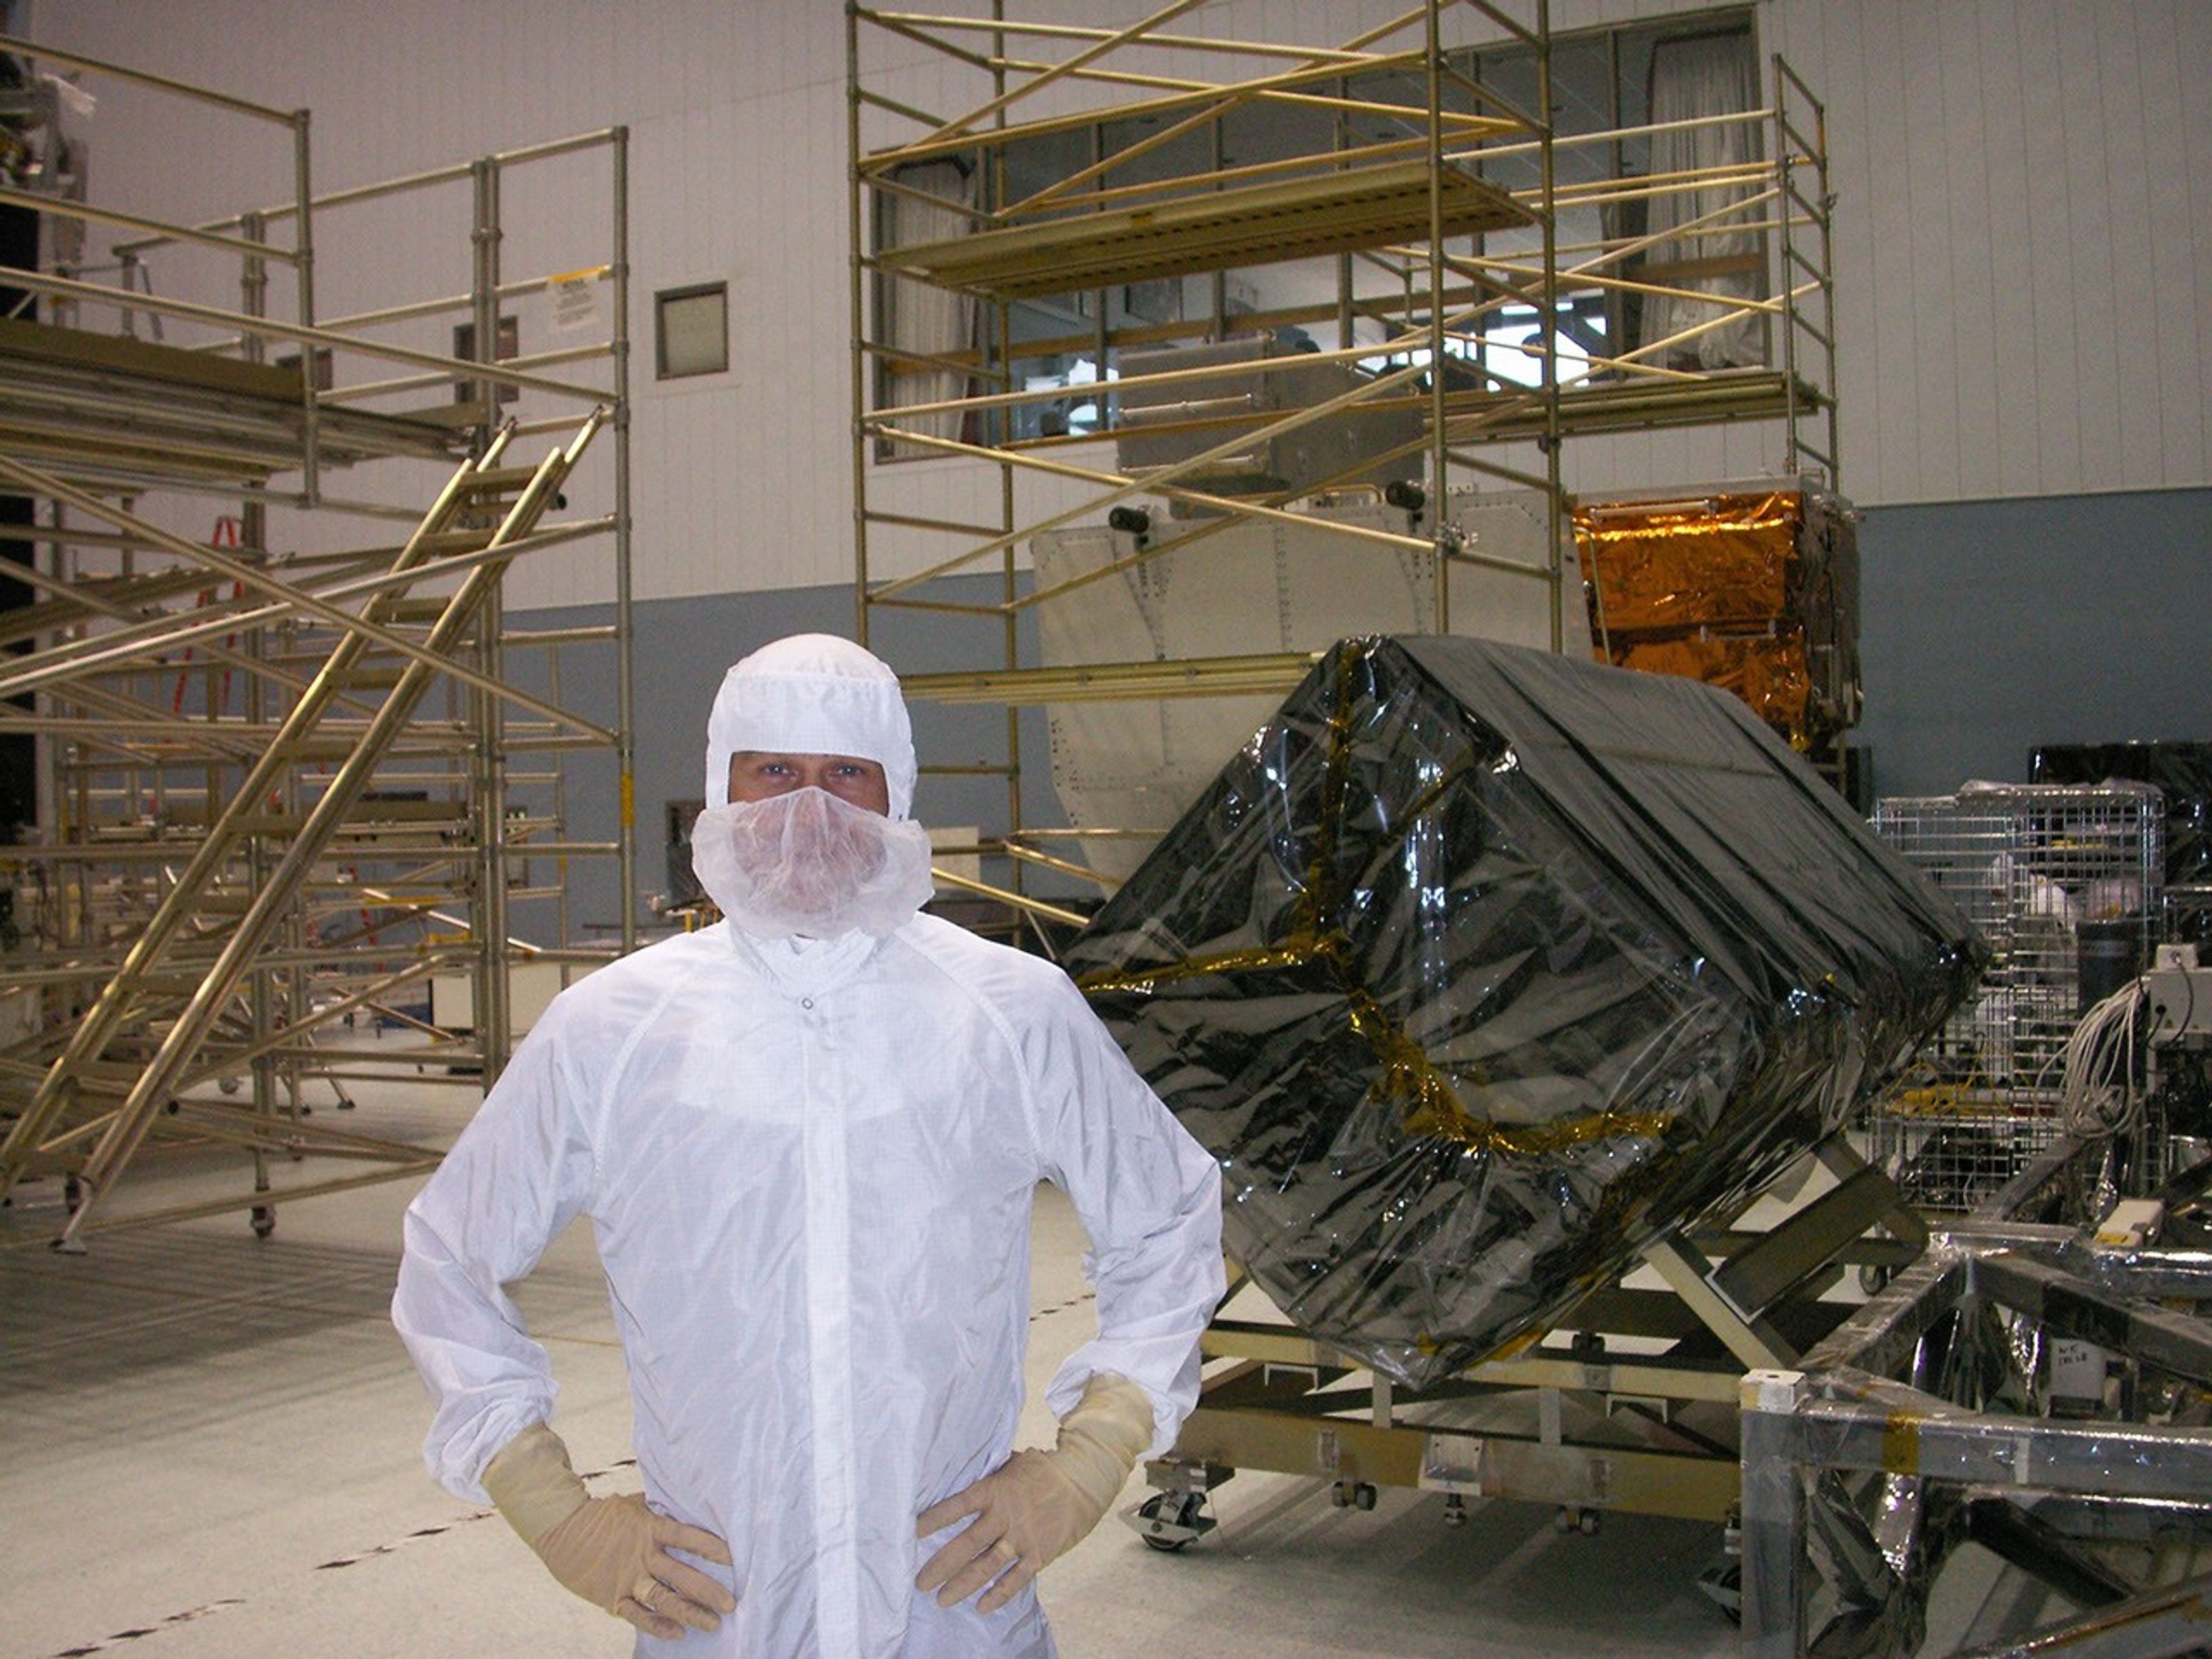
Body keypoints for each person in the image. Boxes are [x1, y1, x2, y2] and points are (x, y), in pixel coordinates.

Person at [392, 632, 1225, 1658]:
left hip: (953, 1608)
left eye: (846, 774)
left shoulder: (1008, 1011)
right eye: (775, 770)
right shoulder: (616, 1029)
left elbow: (1170, 1216)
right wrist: (547, 1506)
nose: (809, 806)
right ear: (723, 789)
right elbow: (449, 1258)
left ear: (896, 793)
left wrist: (1092, 1456)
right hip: (716, 1612)